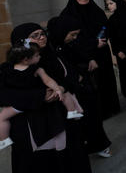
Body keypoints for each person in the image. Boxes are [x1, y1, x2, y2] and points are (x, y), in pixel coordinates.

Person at [10, 22, 93, 172]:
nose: (41, 38)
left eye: (42, 34)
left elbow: (74, 76)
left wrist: (62, 87)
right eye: (35, 36)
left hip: (63, 114)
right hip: (35, 122)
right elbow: (8, 95)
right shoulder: (12, 67)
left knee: (71, 156)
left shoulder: (54, 55)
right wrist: (41, 96)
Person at [48, 15, 113, 159]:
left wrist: (88, 60)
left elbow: (79, 54)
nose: (74, 37)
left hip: (82, 87)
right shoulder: (51, 48)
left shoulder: (69, 43)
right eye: (72, 34)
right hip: (68, 92)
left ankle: (98, 145)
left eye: (76, 34)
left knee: (92, 117)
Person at [0, 43, 84, 148]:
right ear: (26, 59)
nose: (40, 56)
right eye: (37, 55)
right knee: (65, 94)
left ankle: (4, 139)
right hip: (37, 98)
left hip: (19, 103)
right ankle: (72, 112)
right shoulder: (37, 69)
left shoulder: (8, 69)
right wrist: (57, 89)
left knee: (2, 118)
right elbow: (48, 80)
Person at [60, 0, 120, 120]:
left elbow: (106, 26)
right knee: (93, 84)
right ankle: (99, 112)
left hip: (102, 51)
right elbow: (71, 39)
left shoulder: (96, 10)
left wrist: (103, 39)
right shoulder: (68, 14)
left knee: (106, 79)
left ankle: (111, 107)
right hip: (84, 54)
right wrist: (94, 43)